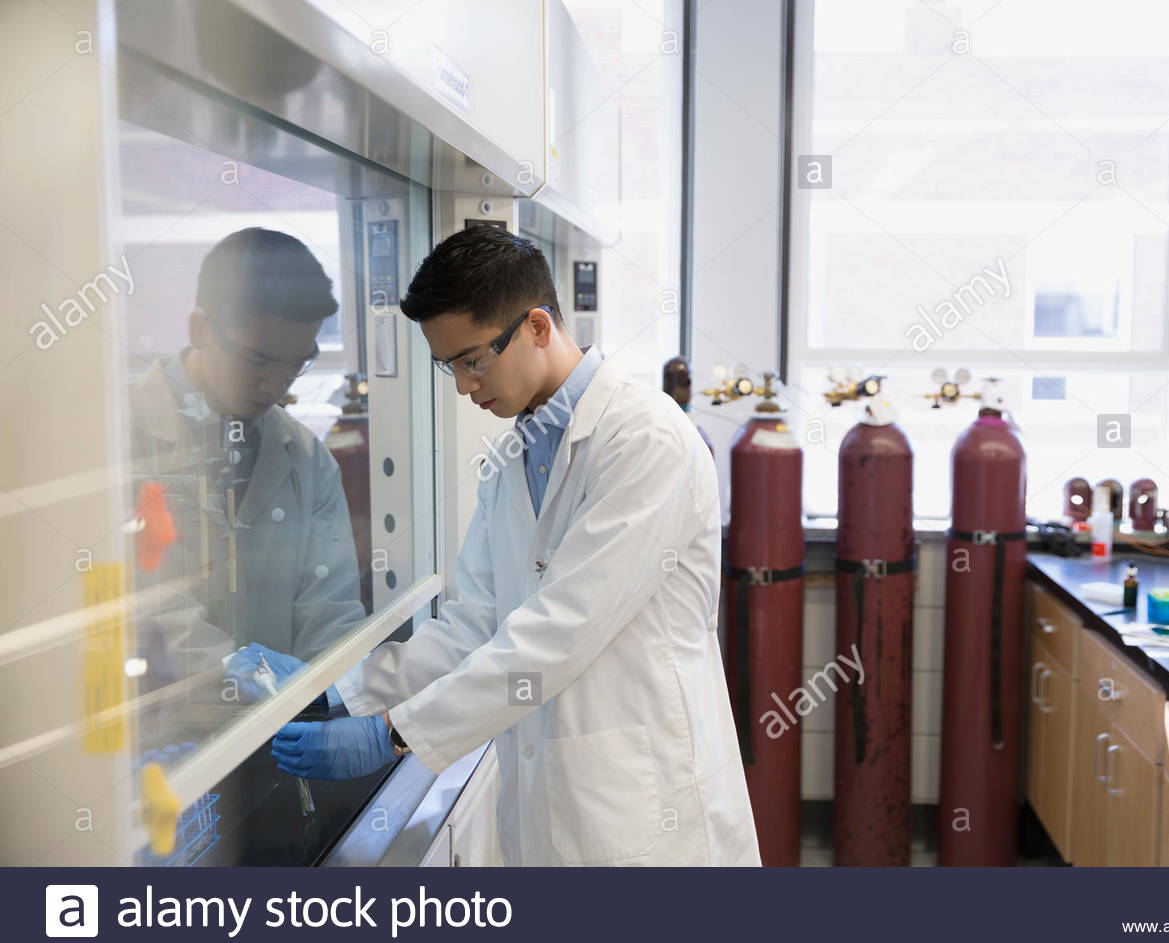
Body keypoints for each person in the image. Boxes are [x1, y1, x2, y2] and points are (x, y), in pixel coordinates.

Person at [261, 225, 760, 865]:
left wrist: (392, 735)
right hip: (553, 804)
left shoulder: (645, 441)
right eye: (450, 367)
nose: (466, 387)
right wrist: (338, 692)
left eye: (473, 359)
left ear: (537, 327)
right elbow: (474, 623)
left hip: (649, 805)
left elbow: (560, 632)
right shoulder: (515, 455)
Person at [132, 227, 365, 690]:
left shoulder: (305, 457)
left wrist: (336, 698)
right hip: (155, 736)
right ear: (200, 330)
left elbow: (331, 610)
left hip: (280, 733)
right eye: (257, 361)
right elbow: (145, 604)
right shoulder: (119, 436)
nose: (278, 386)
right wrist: (243, 678)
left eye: (296, 364)